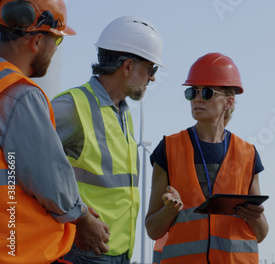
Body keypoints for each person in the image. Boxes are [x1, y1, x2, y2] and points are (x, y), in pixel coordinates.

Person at [0, 0, 110, 263]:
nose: (55, 50)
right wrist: (81, 217)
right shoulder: (18, 93)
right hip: (17, 250)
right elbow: (49, 178)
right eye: (56, 41)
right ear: (37, 41)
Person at [51, 16, 163, 263]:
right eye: (151, 69)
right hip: (82, 253)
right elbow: (23, 163)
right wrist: (76, 218)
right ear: (128, 66)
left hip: (119, 253)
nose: (152, 78)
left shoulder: (123, 115)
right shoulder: (72, 107)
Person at [145, 52, 269, 264]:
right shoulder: (168, 149)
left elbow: (261, 234)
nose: (197, 99)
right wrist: (169, 210)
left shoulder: (248, 154)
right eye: (192, 92)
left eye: (207, 92)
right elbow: (153, 230)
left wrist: (254, 216)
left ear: (228, 102)